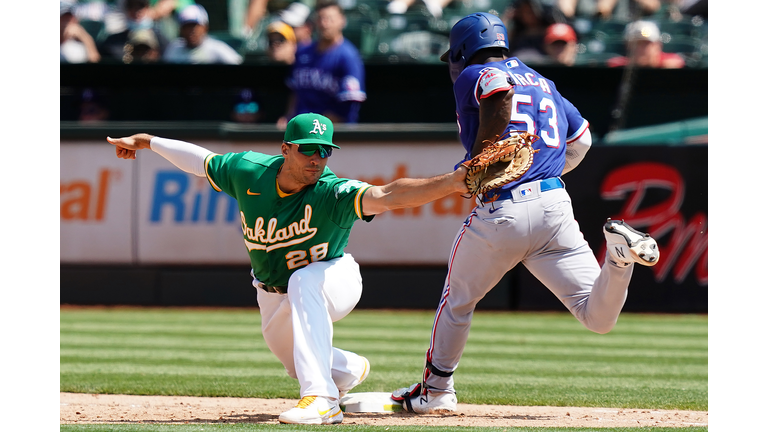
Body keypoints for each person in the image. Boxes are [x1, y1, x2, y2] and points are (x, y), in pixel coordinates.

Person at [106, 113, 470, 425]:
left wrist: (452, 182)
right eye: (308, 148)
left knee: (303, 281)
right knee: (296, 358)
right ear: (286, 149)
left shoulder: (332, 192)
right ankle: (346, 369)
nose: (317, 158)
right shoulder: (249, 171)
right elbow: (201, 161)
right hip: (271, 291)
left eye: (324, 150)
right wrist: (148, 141)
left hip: (334, 277)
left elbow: (388, 195)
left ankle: (322, 400)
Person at [390, 12, 661, 414]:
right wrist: (541, 169)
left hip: (505, 210)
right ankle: (619, 259)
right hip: (554, 205)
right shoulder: (544, 81)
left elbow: (494, 85)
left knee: (458, 300)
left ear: (464, 50)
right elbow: (581, 139)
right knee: (597, 317)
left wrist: (484, 160)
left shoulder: (477, 72)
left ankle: (436, 390)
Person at [279, 0, 366, 128]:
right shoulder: (303, 52)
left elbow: (348, 106)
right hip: (300, 129)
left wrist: (313, 127)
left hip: (333, 134)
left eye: (330, 19)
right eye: (321, 19)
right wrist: (288, 117)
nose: (325, 24)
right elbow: (295, 93)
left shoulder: (348, 57)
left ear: (342, 21)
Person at [163, 4, 244, 64]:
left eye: (195, 26)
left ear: (205, 27)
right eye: (187, 26)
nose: (192, 31)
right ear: (181, 29)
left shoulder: (216, 48)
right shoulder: (174, 48)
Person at [98, 0, 169, 62]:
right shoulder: (112, 43)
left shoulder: (162, 41)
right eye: (131, 6)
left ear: (147, 7)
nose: (137, 10)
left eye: (141, 6)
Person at [606, 19, 685, 68]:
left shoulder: (669, 61)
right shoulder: (620, 66)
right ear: (627, 46)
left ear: (658, 45)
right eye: (636, 44)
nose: (640, 49)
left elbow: (676, 61)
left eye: (646, 43)